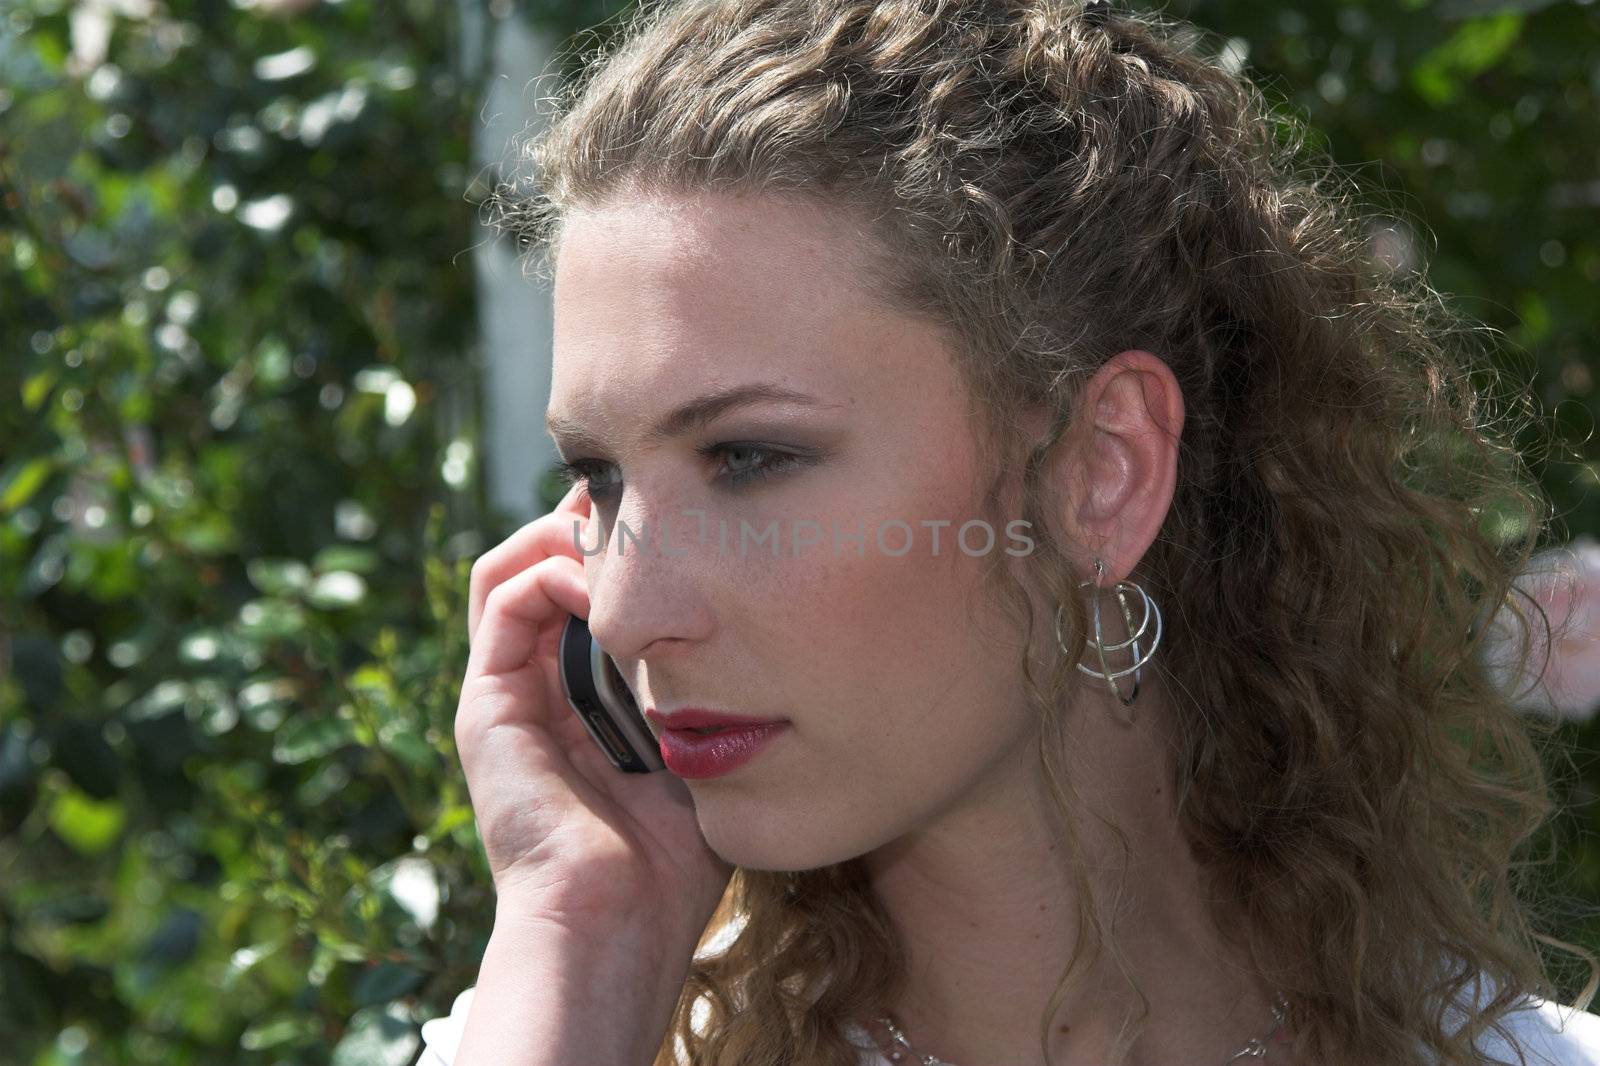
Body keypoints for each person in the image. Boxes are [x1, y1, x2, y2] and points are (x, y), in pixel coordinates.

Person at [419, 0, 1600, 1063]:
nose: (622, 609)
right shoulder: (555, 1027)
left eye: (747, 458)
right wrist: (581, 944)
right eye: (600, 477)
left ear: (1101, 471)